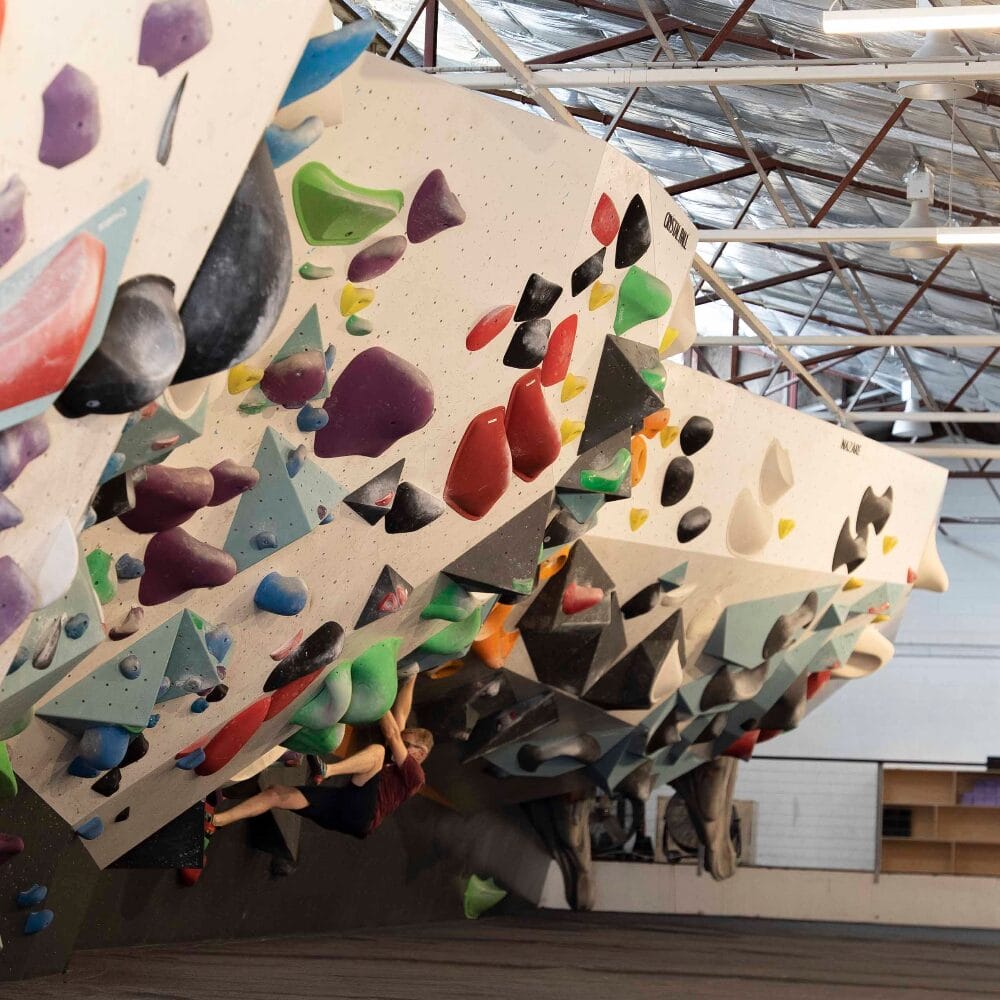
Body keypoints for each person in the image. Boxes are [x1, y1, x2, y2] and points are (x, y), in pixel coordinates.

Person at [213, 672, 432, 838]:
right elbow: (400, 717)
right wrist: (413, 674)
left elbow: (393, 733)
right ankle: (216, 821)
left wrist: (372, 690)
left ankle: (327, 769)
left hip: (363, 813)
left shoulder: (416, 775)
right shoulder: (399, 761)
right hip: (344, 805)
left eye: (407, 744)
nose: (401, 744)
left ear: (420, 753)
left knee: (379, 751)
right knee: (276, 794)